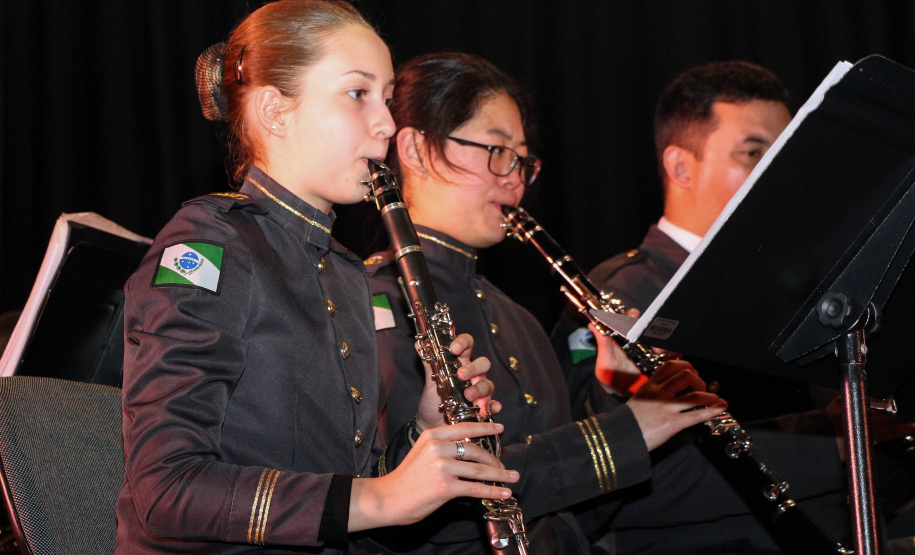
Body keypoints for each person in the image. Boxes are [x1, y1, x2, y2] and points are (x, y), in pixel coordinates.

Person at [115, 3, 520, 553]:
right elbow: (166, 491)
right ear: (275, 112)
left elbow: (343, 480)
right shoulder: (209, 245)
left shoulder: (345, 269)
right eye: (358, 94)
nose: (386, 122)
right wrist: (383, 499)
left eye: (387, 97)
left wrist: (423, 432)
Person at [365, 52, 730, 554]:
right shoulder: (373, 303)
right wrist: (625, 434)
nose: (514, 178)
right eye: (496, 151)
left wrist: (615, 391)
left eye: (522, 160)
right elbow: (425, 517)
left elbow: (579, 519)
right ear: (416, 150)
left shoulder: (519, 321)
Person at [553, 60, 915, 553]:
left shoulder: (794, 289)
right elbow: (618, 488)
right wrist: (836, 438)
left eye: (789, 153)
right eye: (754, 153)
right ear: (681, 166)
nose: (783, 174)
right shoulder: (622, 294)